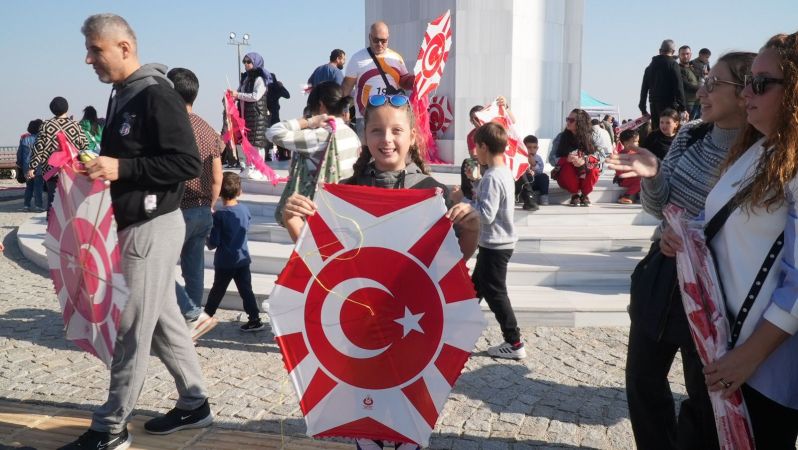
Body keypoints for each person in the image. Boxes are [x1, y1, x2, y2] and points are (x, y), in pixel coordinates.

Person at [281, 92, 478, 450]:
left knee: (406, 418)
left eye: (396, 130)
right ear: (364, 136)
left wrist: (471, 228)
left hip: (414, 326)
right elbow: (324, 264)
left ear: (412, 136)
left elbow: (454, 267)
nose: (386, 139)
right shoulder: (345, 194)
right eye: (376, 130)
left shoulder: (433, 194)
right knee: (367, 416)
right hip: (362, 326)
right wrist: (295, 223)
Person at [60, 14, 212, 450]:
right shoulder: (121, 93)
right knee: (165, 324)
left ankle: (110, 429)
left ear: (124, 48)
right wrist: (99, 165)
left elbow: (186, 164)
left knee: (131, 329)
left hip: (152, 226)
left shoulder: (155, 94)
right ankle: (195, 402)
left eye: (96, 49)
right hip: (132, 223)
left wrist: (120, 167)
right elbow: (129, 158)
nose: (88, 58)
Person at [607, 51, 755, 450]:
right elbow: (658, 206)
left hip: (714, 288)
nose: (701, 90)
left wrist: (693, 238)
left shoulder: (758, 154)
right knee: (642, 382)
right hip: (662, 272)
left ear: (746, 94)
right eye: (705, 83)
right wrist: (653, 175)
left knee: (701, 394)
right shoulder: (690, 135)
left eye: (714, 84)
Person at [699, 33, 798, 448]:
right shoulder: (762, 149)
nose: (746, 93)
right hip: (727, 347)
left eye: (760, 83)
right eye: (746, 83)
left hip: (764, 364)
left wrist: (751, 355)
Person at [165, 67, 224, 334]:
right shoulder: (208, 129)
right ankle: (191, 322)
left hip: (177, 209)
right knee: (194, 268)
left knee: (157, 267)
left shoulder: (171, 127)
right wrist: (211, 204)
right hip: (202, 209)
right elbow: (217, 176)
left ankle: (191, 313)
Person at [267, 81, 361, 238]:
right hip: (345, 209)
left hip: (319, 210)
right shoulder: (352, 135)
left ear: (321, 106)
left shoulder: (319, 135)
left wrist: (308, 121)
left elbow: (273, 132)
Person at [467, 122, 525, 359]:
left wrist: (464, 205)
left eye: (476, 147)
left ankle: (514, 342)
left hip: (496, 244)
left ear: (484, 146)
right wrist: (475, 185)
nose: (474, 152)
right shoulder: (502, 172)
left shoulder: (492, 176)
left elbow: (486, 215)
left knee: (495, 292)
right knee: (474, 289)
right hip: (497, 243)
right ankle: (456, 332)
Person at [194, 171, 265, 338]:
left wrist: (206, 233)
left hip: (225, 261)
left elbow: (214, 243)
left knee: (217, 291)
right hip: (242, 258)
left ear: (219, 192)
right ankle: (254, 318)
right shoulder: (245, 210)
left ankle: (205, 319)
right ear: (239, 191)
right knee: (246, 290)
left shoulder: (219, 216)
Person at [340, 21, 414, 137]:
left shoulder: (396, 58)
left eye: (383, 41)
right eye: (376, 40)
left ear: (388, 38)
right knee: (366, 154)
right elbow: (345, 89)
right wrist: (340, 109)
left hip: (391, 117)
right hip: (365, 118)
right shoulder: (357, 59)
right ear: (370, 37)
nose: (380, 44)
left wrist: (418, 79)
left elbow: (404, 81)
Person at [28, 96, 88, 212]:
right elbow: (84, 146)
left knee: (53, 199)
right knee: (71, 200)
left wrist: (32, 167)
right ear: (67, 108)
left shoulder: (46, 125)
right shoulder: (75, 125)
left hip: (52, 170)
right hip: (72, 169)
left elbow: (38, 147)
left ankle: (52, 225)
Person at [549, 109, 602, 207]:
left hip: (584, 173)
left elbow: (602, 157)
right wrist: (566, 159)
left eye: (571, 120)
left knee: (593, 168)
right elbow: (551, 158)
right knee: (568, 166)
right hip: (566, 176)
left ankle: (585, 195)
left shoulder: (593, 137)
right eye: (567, 119)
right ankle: (574, 195)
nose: (568, 122)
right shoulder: (561, 137)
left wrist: (585, 160)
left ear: (581, 123)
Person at [229, 52, 271, 173]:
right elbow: (239, 93)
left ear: (256, 63)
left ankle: (260, 170)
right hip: (246, 115)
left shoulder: (260, 79)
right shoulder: (246, 79)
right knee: (247, 143)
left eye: (249, 62)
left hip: (257, 116)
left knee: (257, 143)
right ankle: (250, 167)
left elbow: (255, 96)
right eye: (244, 62)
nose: (246, 64)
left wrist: (238, 95)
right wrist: (232, 96)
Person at [639, 39, 687, 129]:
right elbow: (679, 87)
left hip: (654, 105)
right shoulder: (673, 64)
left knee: (657, 132)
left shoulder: (649, 68)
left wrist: (643, 109)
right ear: (673, 51)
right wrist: (683, 108)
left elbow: (644, 90)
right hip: (670, 105)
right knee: (670, 132)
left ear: (660, 51)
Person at [16, 119, 44, 212]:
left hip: (26, 166)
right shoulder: (41, 138)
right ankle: (38, 206)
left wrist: (19, 164)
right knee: (38, 186)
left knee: (29, 186)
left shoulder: (24, 139)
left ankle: (26, 205)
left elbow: (19, 153)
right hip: (38, 165)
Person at [515, 135, 549, 211]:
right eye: (529, 147)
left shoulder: (538, 158)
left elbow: (540, 170)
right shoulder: (520, 157)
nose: (532, 150)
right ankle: (521, 196)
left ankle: (544, 197)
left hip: (534, 181)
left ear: (537, 148)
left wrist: (533, 165)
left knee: (544, 177)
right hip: (525, 182)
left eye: (534, 147)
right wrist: (526, 170)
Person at [614, 129, 641, 204]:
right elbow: (619, 172)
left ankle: (637, 196)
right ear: (626, 144)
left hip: (634, 178)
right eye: (635, 141)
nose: (637, 143)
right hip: (624, 179)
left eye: (638, 141)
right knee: (641, 180)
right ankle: (626, 196)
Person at [678, 46, 701, 119]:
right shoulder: (678, 69)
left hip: (698, 102)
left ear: (690, 54)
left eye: (687, 54)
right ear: (679, 55)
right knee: (689, 127)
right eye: (683, 54)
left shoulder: (692, 68)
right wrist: (702, 88)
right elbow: (686, 85)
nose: (685, 56)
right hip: (688, 104)